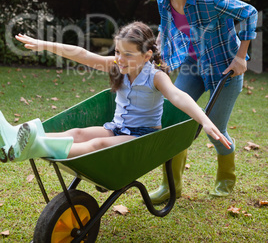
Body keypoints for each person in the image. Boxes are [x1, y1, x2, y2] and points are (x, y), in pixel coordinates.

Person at [0, 22, 231, 164]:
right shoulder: (118, 65)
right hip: (117, 128)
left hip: (140, 137)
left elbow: (178, 96)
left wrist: (204, 120)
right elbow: (84, 55)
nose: (120, 59)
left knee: (97, 145)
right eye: (118, 52)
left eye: (128, 54)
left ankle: (34, 147)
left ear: (147, 55)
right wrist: (45, 44)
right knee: (78, 132)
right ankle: (17, 139)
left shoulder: (156, 76)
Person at [149, 0, 258, 202]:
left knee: (216, 128)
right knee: (173, 120)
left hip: (225, 69)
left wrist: (242, 57)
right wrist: (159, 56)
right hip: (192, 66)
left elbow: (249, 13)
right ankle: (171, 186)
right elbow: (166, 28)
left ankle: (226, 179)